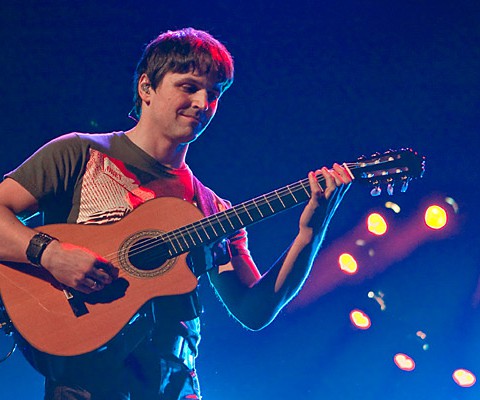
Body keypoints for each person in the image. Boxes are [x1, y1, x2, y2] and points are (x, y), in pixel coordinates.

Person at [0, 28, 352, 399]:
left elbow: (254, 310)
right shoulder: (78, 153)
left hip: (175, 386)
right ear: (146, 88)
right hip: (85, 382)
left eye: (214, 94)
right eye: (189, 87)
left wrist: (310, 234)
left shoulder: (213, 210)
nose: (204, 103)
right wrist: (51, 254)